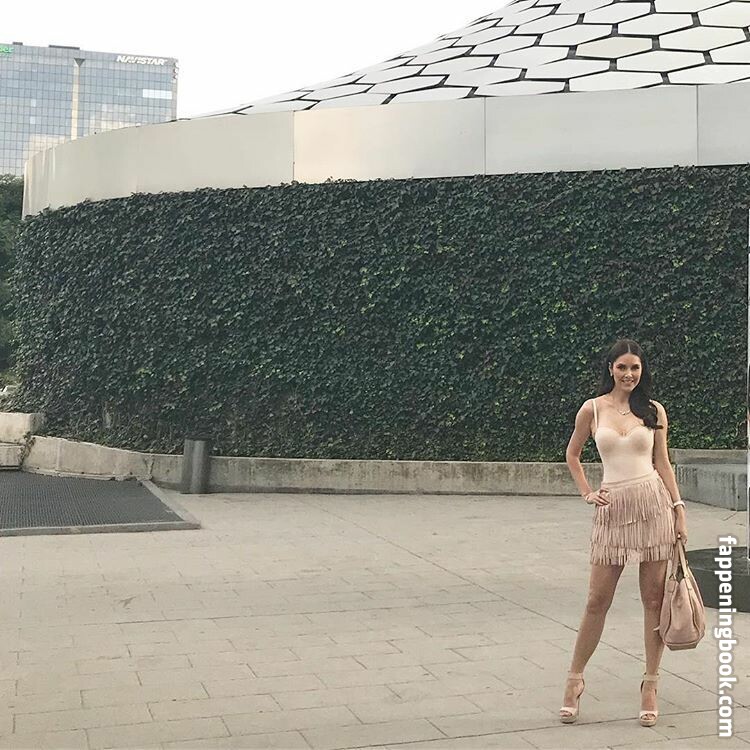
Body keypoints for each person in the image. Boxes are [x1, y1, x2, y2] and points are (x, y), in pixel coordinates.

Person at [558, 339, 688, 726]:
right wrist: (587, 492)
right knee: (596, 600)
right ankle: (574, 680)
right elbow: (572, 454)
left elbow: (662, 463)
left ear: (642, 370)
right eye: (622, 367)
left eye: (635, 367)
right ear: (610, 368)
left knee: (654, 600)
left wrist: (679, 509)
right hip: (612, 510)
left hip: (653, 506)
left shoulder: (654, 411)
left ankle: (650, 683)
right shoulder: (592, 408)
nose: (629, 374)